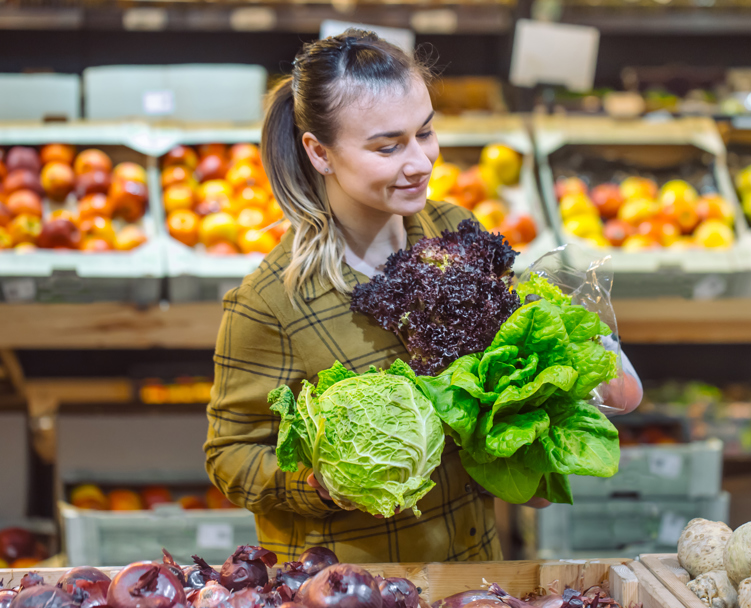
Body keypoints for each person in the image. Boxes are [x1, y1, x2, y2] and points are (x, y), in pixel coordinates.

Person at [204, 30, 642, 565]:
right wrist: (322, 483)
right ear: (319, 153)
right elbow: (230, 456)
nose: (420, 162)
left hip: (474, 570)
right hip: (353, 596)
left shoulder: (453, 229)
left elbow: (494, 382)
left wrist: (550, 402)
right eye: (388, 146)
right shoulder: (269, 302)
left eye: (426, 133)